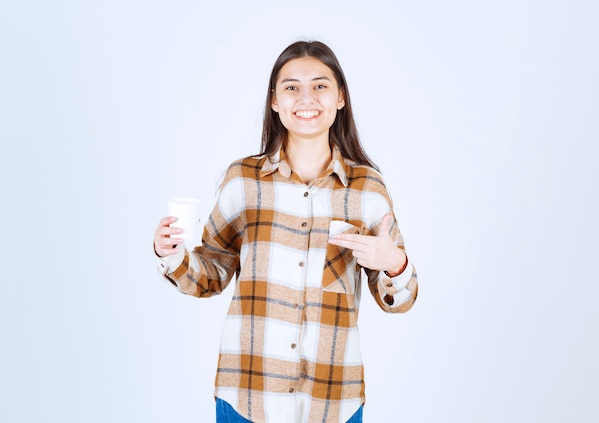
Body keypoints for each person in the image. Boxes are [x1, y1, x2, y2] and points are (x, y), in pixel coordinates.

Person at [153, 40, 418, 423]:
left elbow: (401, 299)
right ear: (274, 100)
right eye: (291, 87)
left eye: (320, 85)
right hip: (247, 395)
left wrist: (395, 263)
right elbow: (211, 273)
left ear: (340, 97)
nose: (305, 98)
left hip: (332, 400)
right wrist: (172, 254)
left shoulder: (367, 190)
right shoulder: (243, 181)